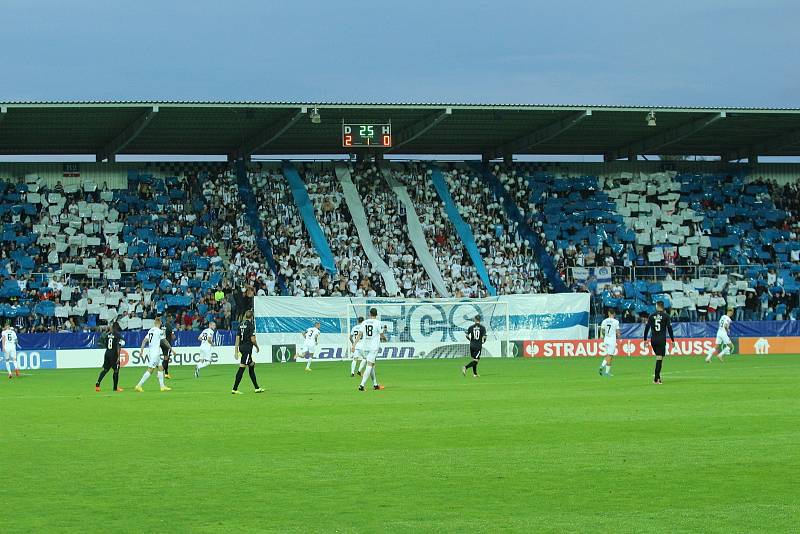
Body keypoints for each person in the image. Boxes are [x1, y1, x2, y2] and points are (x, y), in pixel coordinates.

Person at [134, 317, 173, 392]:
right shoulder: (159, 331)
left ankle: (162, 386)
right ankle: (139, 385)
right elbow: (165, 341)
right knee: (150, 370)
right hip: (155, 353)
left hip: (152, 352)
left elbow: (144, 340)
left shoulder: (150, 330)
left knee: (161, 368)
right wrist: (171, 349)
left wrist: (141, 350)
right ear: (160, 322)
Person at [231, 310, 264, 394]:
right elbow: (253, 339)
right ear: (252, 317)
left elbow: (237, 339)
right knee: (242, 368)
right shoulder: (251, 326)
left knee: (251, 365)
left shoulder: (240, 325)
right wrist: (257, 346)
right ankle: (234, 389)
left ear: (245, 316)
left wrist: (236, 351)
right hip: (247, 349)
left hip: (242, 348)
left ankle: (257, 388)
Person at [354, 307, 386, 391]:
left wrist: (354, 344)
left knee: (372, 365)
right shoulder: (378, 322)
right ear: (376, 314)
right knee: (369, 365)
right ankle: (362, 385)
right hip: (373, 347)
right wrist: (384, 338)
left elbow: (359, 334)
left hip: (365, 347)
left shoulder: (364, 322)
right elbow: (381, 334)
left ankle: (375, 385)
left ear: (369, 314)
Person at [644, 301, 675, 384]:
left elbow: (647, 328)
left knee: (658, 358)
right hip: (661, 340)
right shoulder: (666, 316)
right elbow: (669, 328)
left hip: (653, 340)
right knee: (659, 359)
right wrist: (672, 340)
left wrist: (645, 339)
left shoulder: (651, 316)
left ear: (657, 306)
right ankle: (656, 379)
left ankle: (658, 378)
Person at [95, 322, 124, 392]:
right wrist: (118, 357)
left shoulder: (108, 335)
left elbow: (103, 343)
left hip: (107, 353)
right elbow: (118, 346)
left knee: (105, 370)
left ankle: (97, 384)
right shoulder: (117, 335)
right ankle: (115, 388)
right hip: (114, 354)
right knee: (116, 371)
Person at [598, 309, 620, 377]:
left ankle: (603, 367)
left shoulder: (604, 321)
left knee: (608, 355)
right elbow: (618, 332)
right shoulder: (616, 321)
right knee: (610, 356)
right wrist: (619, 337)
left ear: (608, 313)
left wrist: (603, 336)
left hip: (606, 339)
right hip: (612, 340)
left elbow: (602, 330)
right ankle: (604, 369)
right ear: (614, 314)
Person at [161, 314, 176, 379]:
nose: (171, 319)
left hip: (161, 343)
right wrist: (173, 336)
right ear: (169, 318)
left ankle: (166, 373)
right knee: (166, 359)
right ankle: (161, 371)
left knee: (165, 358)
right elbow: (173, 337)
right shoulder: (169, 326)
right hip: (167, 343)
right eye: (171, 318)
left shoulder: (162, 326)